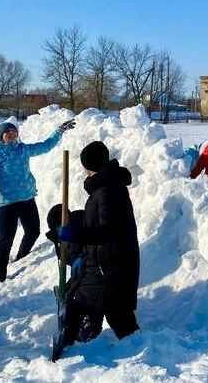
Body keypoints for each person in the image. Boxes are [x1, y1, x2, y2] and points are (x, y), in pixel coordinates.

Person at [0, 119, 76, 282]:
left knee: (33, 231)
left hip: (27, 199)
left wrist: (59, 131)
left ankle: (22, 257)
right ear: (1, 137)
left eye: (14, 131)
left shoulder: (23, 149)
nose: (12, 134)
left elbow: (45, 145)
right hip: (8, 204)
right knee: (6, 240)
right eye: (8, 132)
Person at [58, 141, 141, 345]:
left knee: (114, 311)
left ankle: (139, 348)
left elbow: (107, 231)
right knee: (115, 310)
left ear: (89, 166)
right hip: (111, 258)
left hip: (113, 260)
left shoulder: (106, 190)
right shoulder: (106, 186)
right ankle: (137, 345)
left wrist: (75, 234)